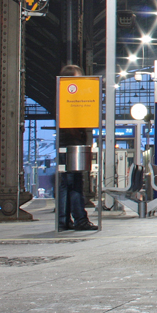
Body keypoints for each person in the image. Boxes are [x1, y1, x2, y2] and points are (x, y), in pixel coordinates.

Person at [57, 64, 98, 230]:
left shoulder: (60, 95)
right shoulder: (70, 98)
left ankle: (63, 221)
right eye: (78, 77)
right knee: (74, 185)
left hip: (66, 146)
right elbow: (73, 125)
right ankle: (80, 220)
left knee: (66, 186)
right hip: (72, 147)